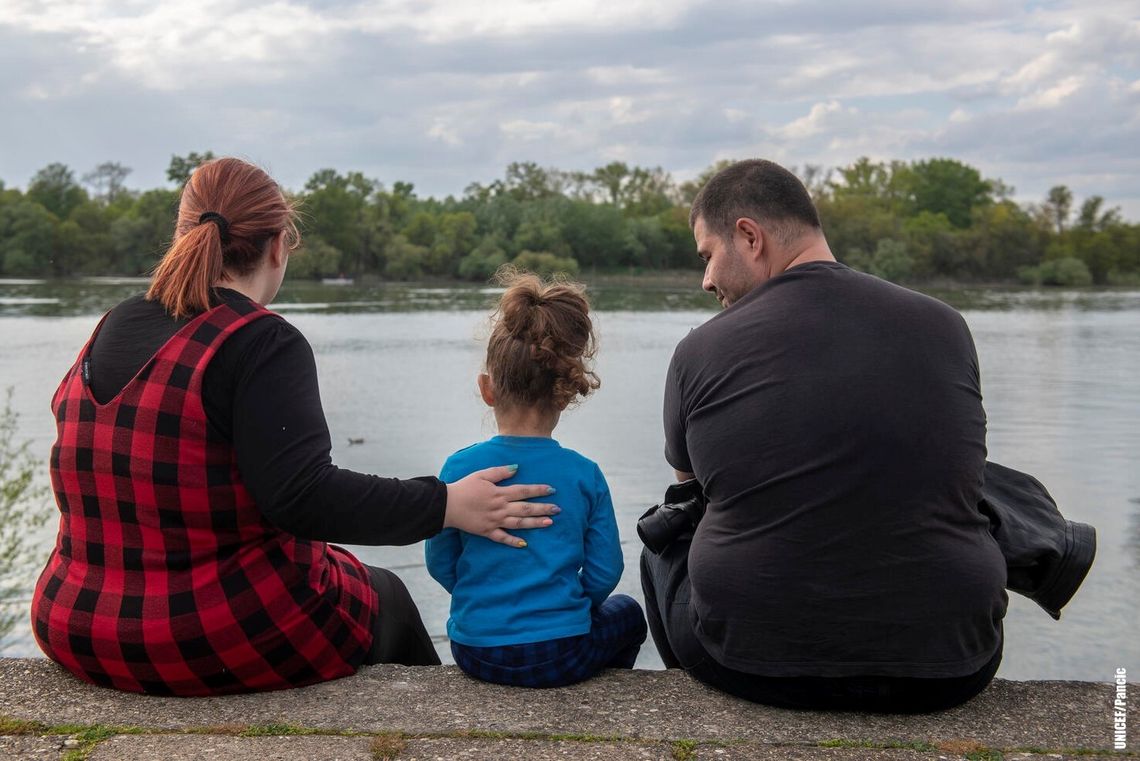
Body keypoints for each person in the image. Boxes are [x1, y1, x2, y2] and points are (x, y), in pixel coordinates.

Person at [30, 158, 558, 696]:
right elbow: (304, 498)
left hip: (75, 623)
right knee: (390, 598)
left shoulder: (112, 323)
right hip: (198, 636)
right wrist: (446, 505)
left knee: (343, 573)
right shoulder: (261, 340)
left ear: (181, 235)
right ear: (279, 245)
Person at [640, 159, 1094, 713]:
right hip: (953, 664)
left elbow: (693, 490)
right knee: (947, 478)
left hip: (749, 664)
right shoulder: (945, 325)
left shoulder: (700, 350)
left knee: (667, 531)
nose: (706, 280)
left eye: (708, 256)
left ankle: (701, 708)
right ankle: (1054, 548)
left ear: (749, 237)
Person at [425, 268, 647, 687]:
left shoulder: (459, 469)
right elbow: (605, 570)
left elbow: (440, 562)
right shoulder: (586, 475)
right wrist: (572, 608)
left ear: (487, 389)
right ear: (564, 392)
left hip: (475, 652)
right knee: (629, 614)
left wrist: (483, 600)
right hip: (562, 653)